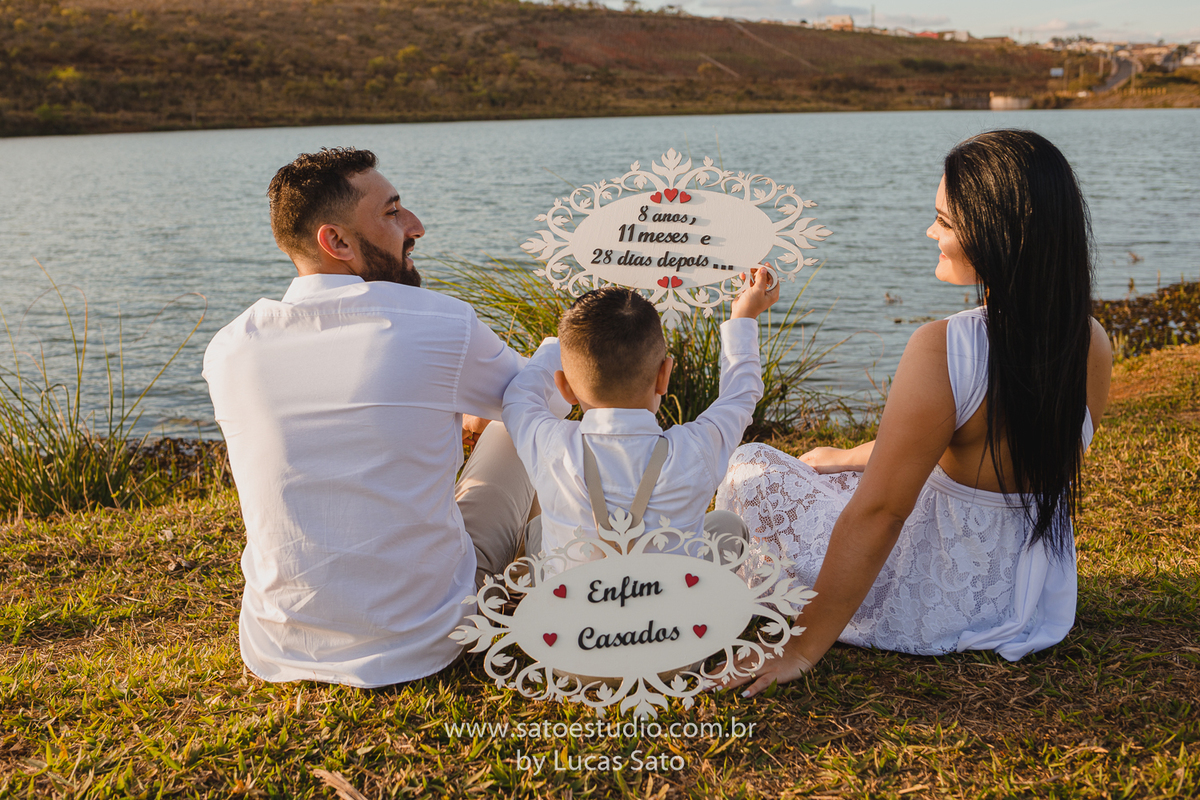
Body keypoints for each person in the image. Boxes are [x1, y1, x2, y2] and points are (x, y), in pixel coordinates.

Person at [717, 130, 1113, 697]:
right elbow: (968, 456)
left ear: (996, 232)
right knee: (827, 472)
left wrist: (802, 647)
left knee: (750, 466)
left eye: (944, 222)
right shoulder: (1091, 341)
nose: (932, 233)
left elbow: (881, 513)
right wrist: (845, 457)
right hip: (1025, 597)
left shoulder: (946, 346)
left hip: (928, 597)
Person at [203, 147, 566, 688]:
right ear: (338, 242)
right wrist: (562, 345)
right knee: (520, 420)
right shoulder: (439, 323)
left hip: (280, 641)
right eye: (393, 213)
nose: (415, 226)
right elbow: (548, 401)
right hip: (425, 635)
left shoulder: (230, 347)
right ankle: (555, 565)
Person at [501, 272, 778, 568]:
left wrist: (561, 342)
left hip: (570, 610)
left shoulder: (548, 443)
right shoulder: (695, 448)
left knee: (538, 528)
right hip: (677, 610)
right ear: (664, 375)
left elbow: (519, 395)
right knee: (726, 525)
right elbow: (740, 394)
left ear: (564, 386)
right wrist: (743, 315)